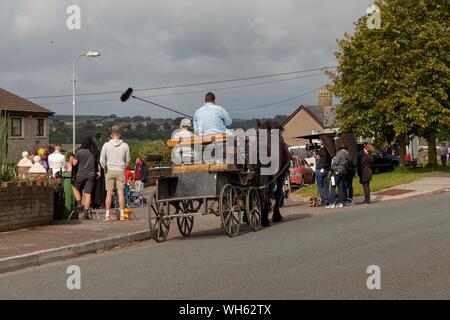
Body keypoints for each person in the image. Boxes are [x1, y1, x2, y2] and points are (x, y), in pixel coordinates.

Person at [100, 126, 130, 222]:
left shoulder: (106, 145)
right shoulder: (125, 145)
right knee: (121, 193)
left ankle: (107, 215)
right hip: (120, 170)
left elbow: (101, 160)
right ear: (120, 135)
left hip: (109, 170)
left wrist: (105, 167)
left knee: (108, 193)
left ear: (111, 135)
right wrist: (124, 166)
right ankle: (122, 214)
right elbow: (128, 160)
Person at [72, 137, 100, 219]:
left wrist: (73, 160)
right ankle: (86, 213)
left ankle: (79, 203)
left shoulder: (79, 152)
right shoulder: (93, 152)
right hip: (91, 175)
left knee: (74, 187)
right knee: (88, 194)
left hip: (81, 174)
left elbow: (74, 163)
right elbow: (98, 162)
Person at [327, 141, 350, 208]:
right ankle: (340, 202)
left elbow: (336, 162)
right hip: (343, 171)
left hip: (336, 171)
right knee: (341, 187)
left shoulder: (339, 153)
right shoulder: (347, 154)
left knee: (333, 187)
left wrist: (334, 159)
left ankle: (332, 203)